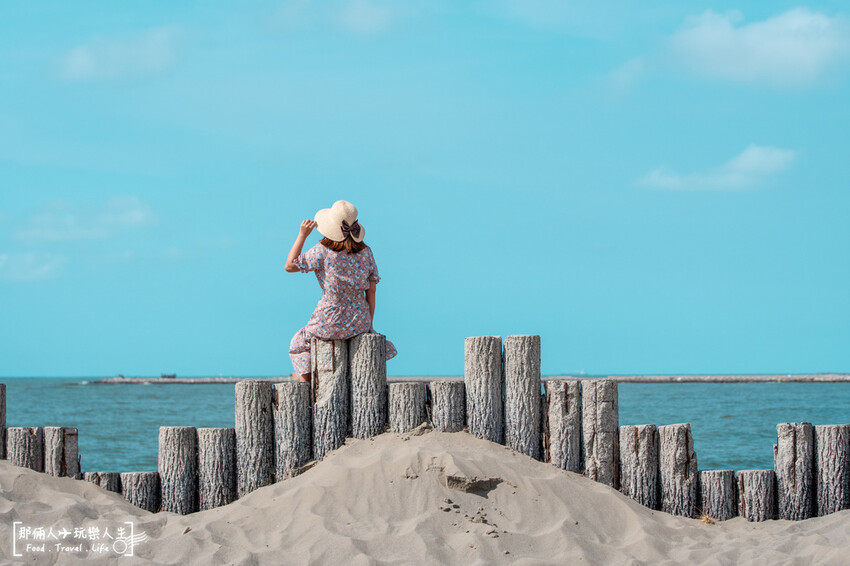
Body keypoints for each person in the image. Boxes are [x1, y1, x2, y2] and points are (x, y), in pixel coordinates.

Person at [284, 200, 397, 382]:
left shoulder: (323, 251)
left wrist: (302, 235)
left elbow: (290, 265)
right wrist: (369, 324)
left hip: (328, 320)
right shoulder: (366, 252)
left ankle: (306, 383)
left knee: (299, 343)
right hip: (359, 320)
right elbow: (372, 290)